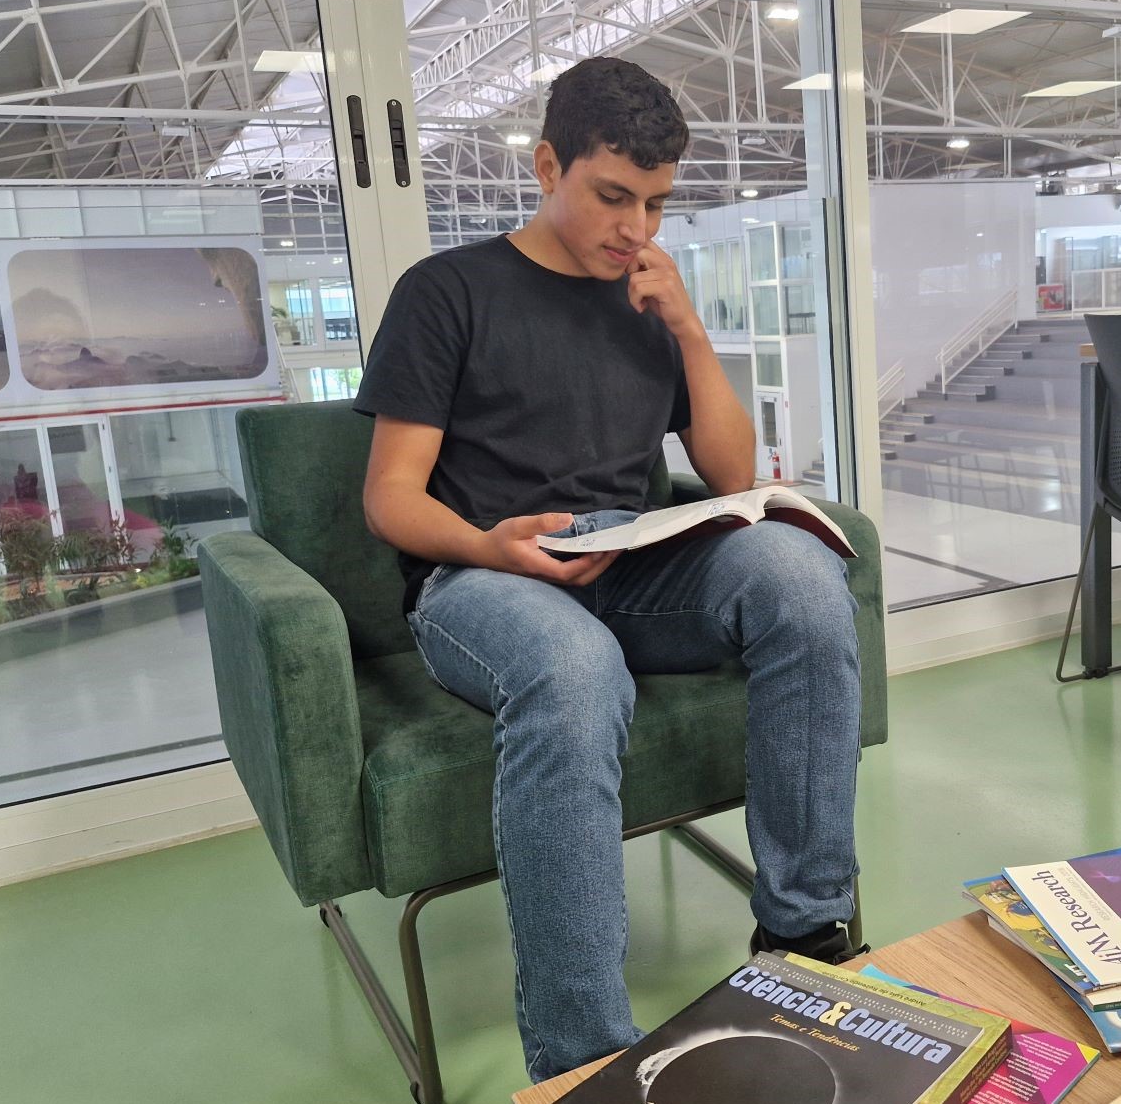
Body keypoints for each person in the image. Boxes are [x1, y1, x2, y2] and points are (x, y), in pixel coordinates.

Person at [351, 57, 863, 1084]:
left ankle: (805, 936)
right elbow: (391, 497)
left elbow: (728, 473)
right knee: (576, 673)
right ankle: (582, 1058)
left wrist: (686, 324)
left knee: (802, 579)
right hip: (484, 577)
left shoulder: (647, 299)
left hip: (628, 558)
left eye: (659, 205)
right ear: (549, 165)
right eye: (612, 197)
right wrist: (493, 546)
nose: (636, 228)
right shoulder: (446, 292)